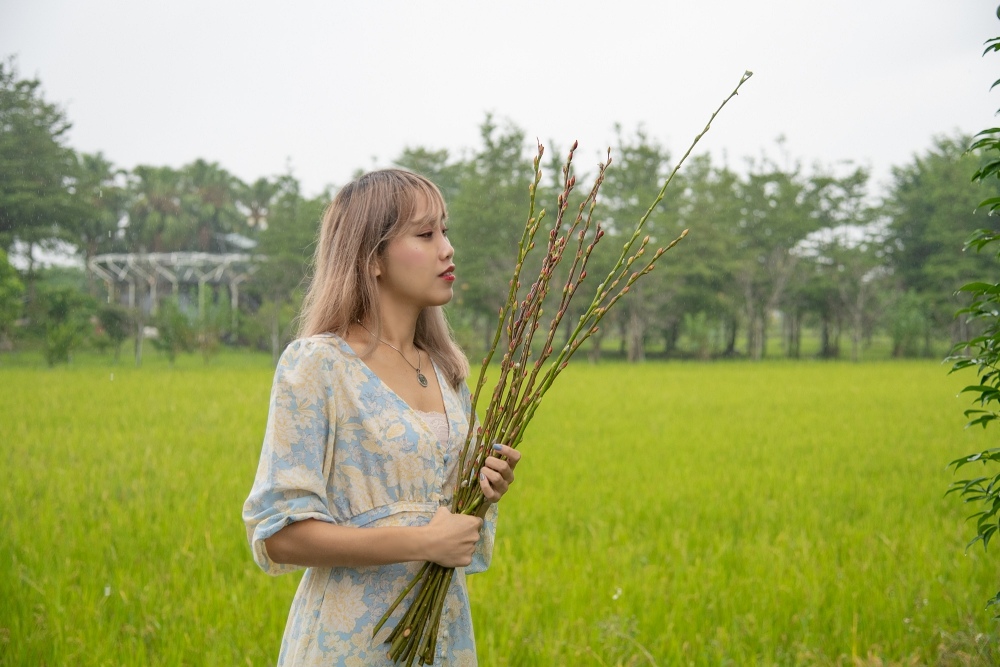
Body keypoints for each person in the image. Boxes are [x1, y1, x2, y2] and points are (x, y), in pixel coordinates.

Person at [242, 169, 520, 666]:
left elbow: (452, 520)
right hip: (349, 643)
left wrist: (485, 489)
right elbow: (280, 535)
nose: (447, 249)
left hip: (442, 637)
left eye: (445, 230)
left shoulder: (447, 372)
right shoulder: (318, 366)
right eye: (425, 233)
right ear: (372, 258)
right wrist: (424, 540)